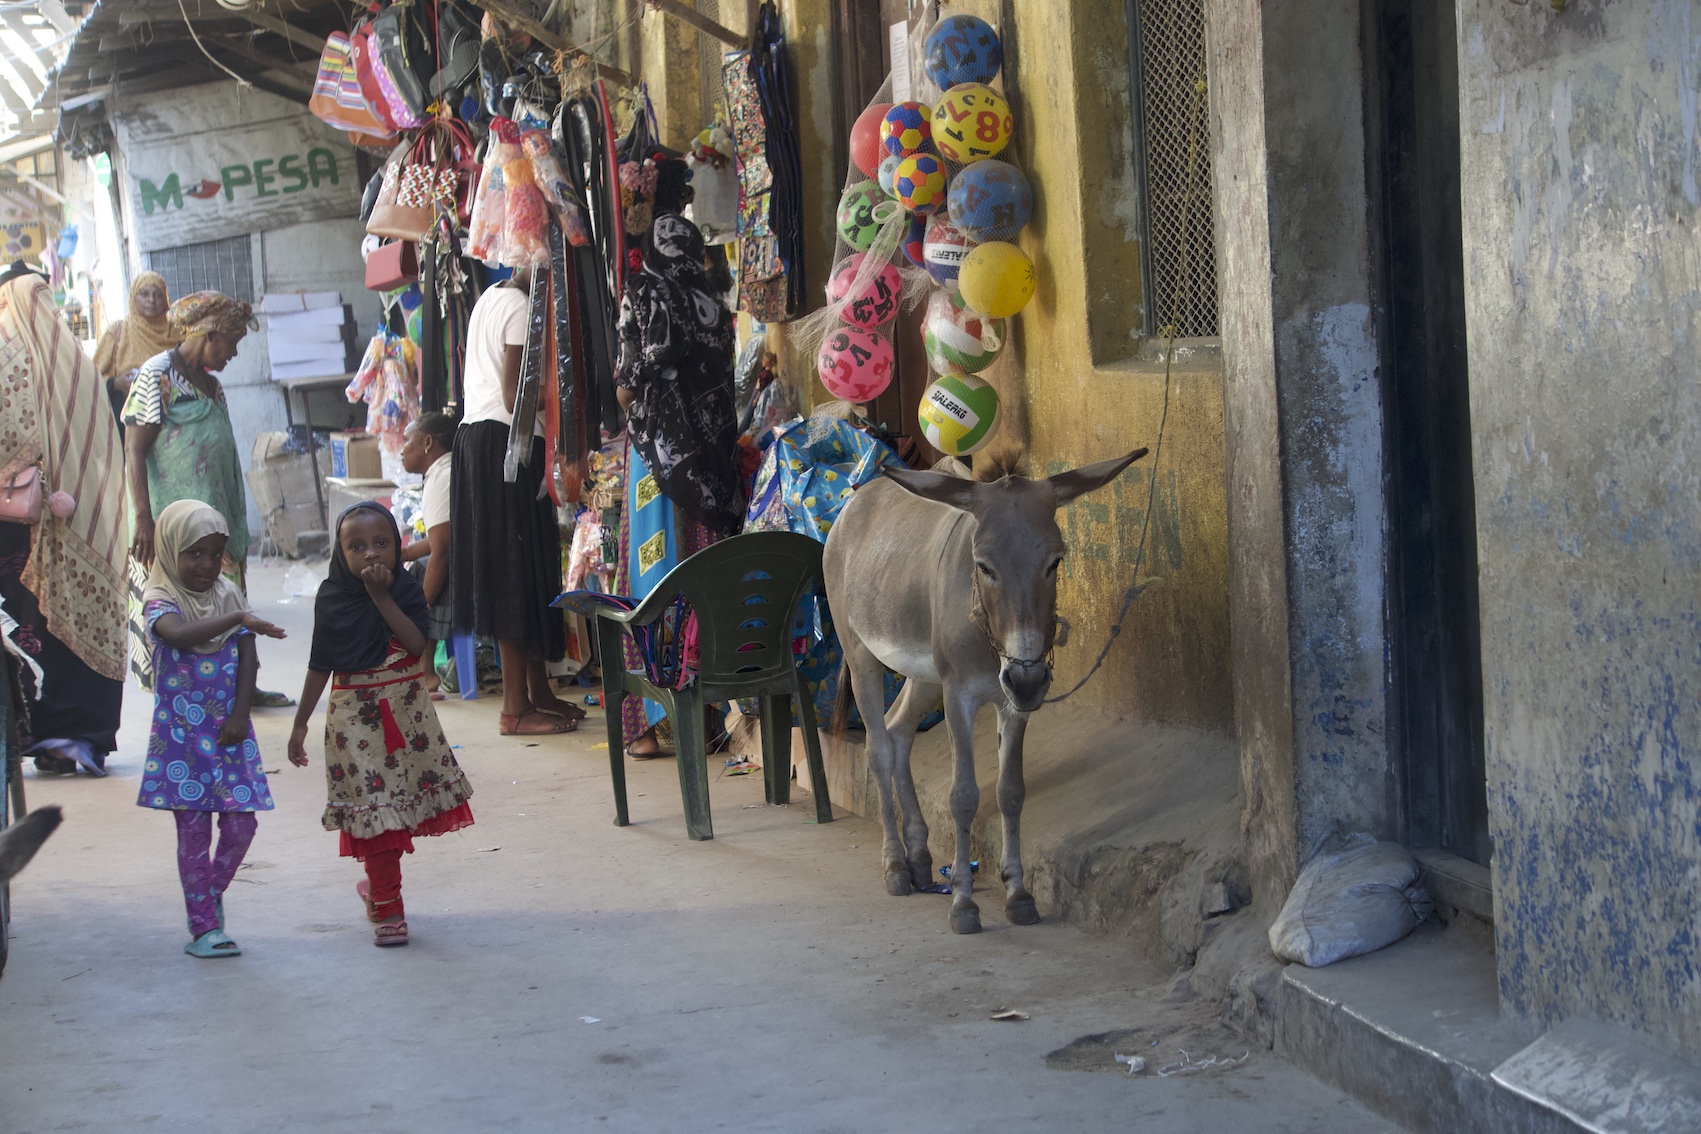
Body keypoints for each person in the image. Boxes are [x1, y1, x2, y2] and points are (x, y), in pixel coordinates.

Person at [288, 502, 475, 948]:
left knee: (398, 809)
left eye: (381, 544)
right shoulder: (332, 598)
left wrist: (381, 597)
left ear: (397, 547)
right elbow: (320, 664)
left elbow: (413, 647)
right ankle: (390, 908)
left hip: (407, 716)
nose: (370, 554)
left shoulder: (407, 589)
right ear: (340, 552)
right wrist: (299, 726)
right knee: (378, 811)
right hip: (355, 724)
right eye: (356, 547)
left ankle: (378, 889)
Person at [613, 195, 743, 757]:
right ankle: (709, 715)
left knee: (651, 571)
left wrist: (629, 382)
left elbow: (640, 363)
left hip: (657, 460)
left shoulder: (644, 290)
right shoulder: (714, 300)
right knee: (704, 569)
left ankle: (644, 725)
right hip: (713, 465)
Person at [121, 291, 292, 707]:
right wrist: (144, 518)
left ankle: (241, 687)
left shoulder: (212, 386)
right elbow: (135, 450)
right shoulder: (156, 374)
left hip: (215, 522)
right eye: (231, 342)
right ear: (209, 333)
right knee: (178, 607)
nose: (234, 353)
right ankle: (189, 692)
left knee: (228, 601)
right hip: (173, 522)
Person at [136, 500, 286, 959]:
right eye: (194, 553)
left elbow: (248, 659)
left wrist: (241, 715)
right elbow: (179, 635)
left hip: (229, 733)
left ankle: (208, 894)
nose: (206, 565)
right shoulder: (159, 598)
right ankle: (203, 928)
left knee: (242, 826)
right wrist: (239, 619)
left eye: (215, 554)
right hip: (182, 740)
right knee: (195, 835)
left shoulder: (229, 595)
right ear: (170, 549)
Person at [0, 272, 128, 776]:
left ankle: (41, 737)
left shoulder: (9, 357)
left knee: (27, 626)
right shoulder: (73, 357)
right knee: (71, 619)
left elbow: (14, 440)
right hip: (80, 522)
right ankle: (82, 736)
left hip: (18, 523)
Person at [449, 270, 585, 736]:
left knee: (526, 570)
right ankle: (514, 709)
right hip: (504, 445)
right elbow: (515, 395)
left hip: (486, 441)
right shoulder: (522, 309)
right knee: (513, 572)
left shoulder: (490, 296)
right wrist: (572, 399)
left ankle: (537, 694)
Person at [399, 412, 456, 696]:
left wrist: (424, 603)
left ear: (428, 443)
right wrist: (406, 551)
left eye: (407, 440)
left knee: (421, 574)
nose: (402, 449)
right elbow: (440, 537)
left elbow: (442, 550)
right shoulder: (444, 470)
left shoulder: (441, 476)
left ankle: (424, 669)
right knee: (416, 564)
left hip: (466, 570)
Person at [92, 271, 178, 433]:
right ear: (133, 297)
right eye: (144, 294)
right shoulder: (117, 333)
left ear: (166, 299)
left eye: (158, 295)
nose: (151, 300)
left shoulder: (177, 334)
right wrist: (115, 383)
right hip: (128, 430)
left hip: (174, 426)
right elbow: (90, 380)